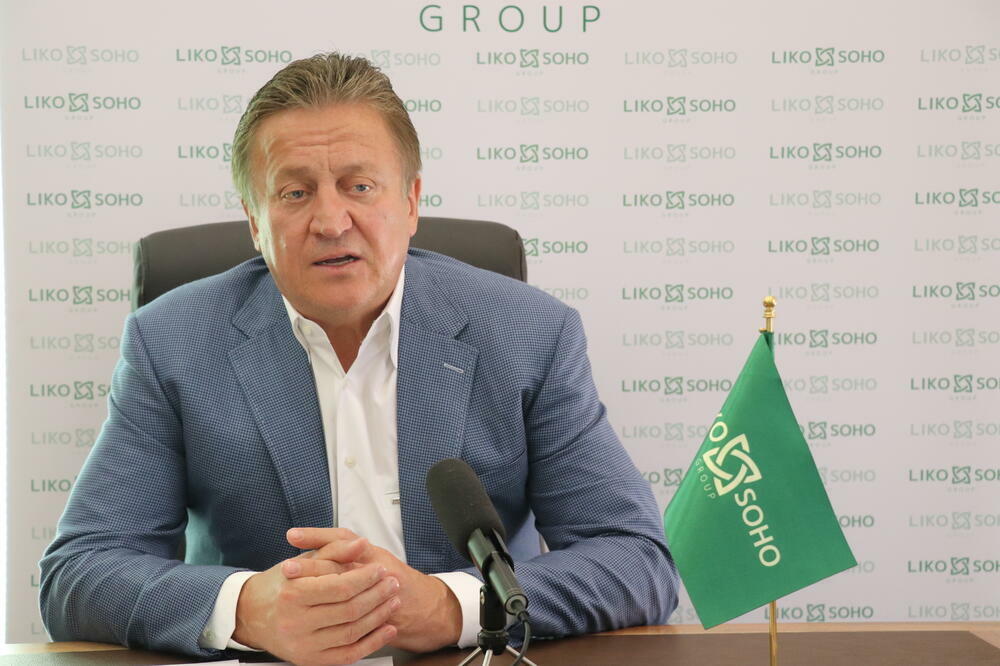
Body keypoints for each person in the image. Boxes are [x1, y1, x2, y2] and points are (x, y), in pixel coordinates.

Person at [39, 52, 678, 664]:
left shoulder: (528, 332)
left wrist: (451, 607)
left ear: (411, 202)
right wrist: (248, 609)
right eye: (295, 193)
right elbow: (80, 571)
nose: (331, 220)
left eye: (360, 186)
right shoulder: (173, 342)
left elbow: (636, 559)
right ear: (255, 222)